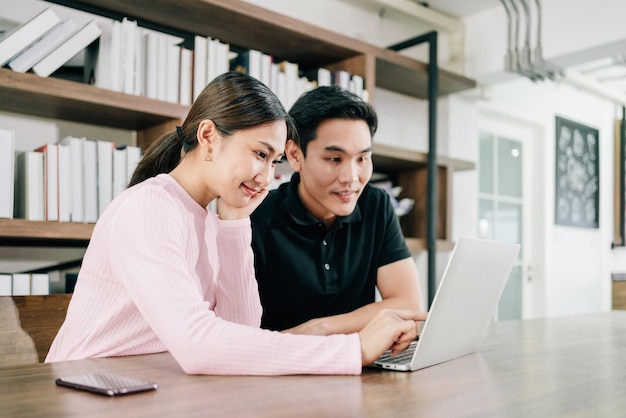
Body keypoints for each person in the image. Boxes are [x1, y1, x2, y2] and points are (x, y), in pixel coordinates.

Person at [45, 72, 425, 376]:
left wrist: (234, 224)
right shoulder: (150, 206)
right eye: (260, 154)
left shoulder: (213, 217)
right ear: (208, 137)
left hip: (147, 388)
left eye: (274, 162)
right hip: (84, 390)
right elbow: (197, 344)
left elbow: (240, 333)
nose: (266, 176)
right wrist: (352, 348)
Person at [251, 85, 423, 337]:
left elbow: (409, 306)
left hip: (359, 364)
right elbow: (236, 331)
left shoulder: (376, 205)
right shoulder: (256, 217)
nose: (351, 178)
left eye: (362, 159)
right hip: (283, 367)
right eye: (334, 159)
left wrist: (322, 327)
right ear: (295, 155)